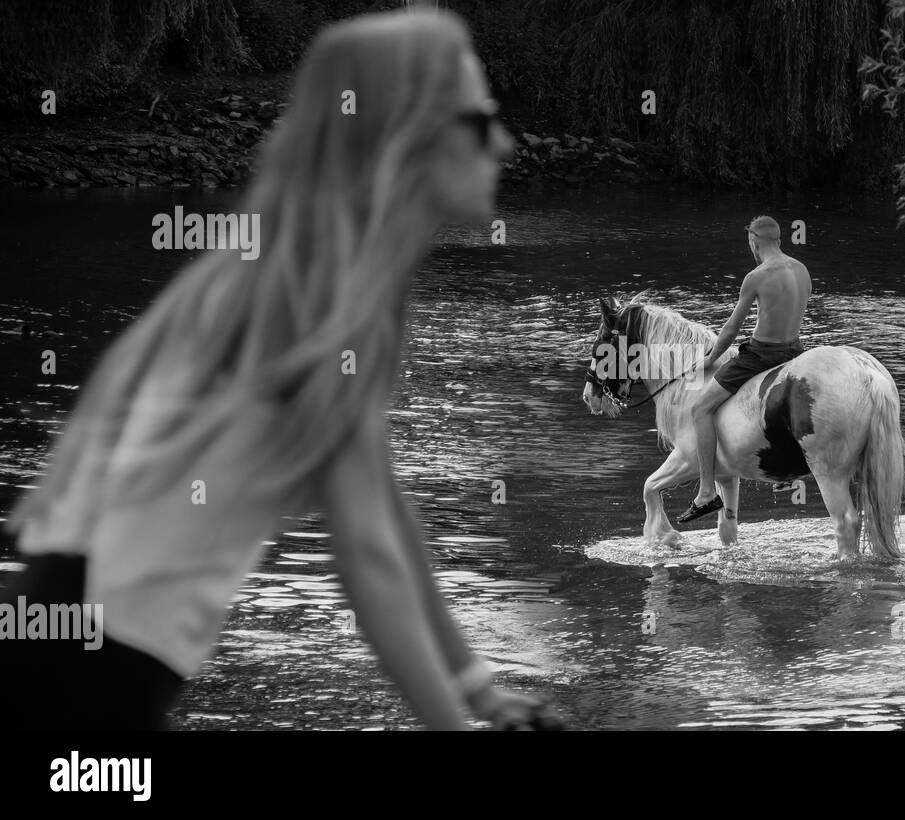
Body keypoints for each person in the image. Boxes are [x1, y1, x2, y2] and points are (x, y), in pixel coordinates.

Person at [0, 8, 559, 731]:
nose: (507, 145)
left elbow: (388, 516)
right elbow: (367, 559)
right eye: (481, 123)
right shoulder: (321, 298)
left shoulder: (301, 274)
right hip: (95, 672)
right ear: (406, 135)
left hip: (72, 639)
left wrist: (475, 684)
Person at [676, 216, 812, 523]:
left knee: (700, 409)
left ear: (754, 241)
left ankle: (707, 491)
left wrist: (711, 358)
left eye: (749, 241)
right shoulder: (802, 270)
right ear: (779, 239)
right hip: (795, 353)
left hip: (762, 355)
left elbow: (730, 329)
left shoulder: (756, 276)